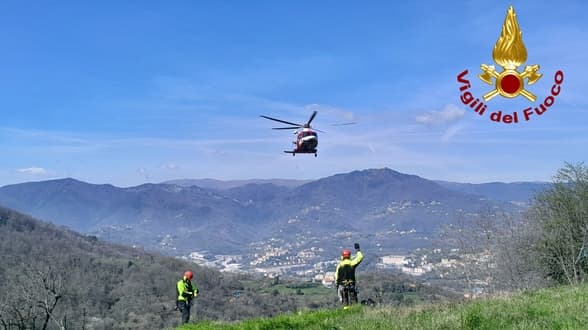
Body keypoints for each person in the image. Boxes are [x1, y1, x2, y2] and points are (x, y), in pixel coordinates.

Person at [335, 243, 363, 308]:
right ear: (349, 256)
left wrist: (337, 285)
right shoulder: (352, 263)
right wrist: (358, 250)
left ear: (342, 256)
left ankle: (346, 311)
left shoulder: (339, 265)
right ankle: (355, 311)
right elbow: (360, 257)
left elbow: (336, 276)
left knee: (345, 301)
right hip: (351, 284)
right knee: (353, 300)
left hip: (342, 285)